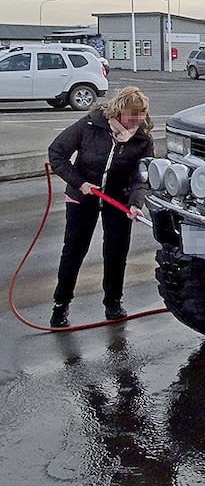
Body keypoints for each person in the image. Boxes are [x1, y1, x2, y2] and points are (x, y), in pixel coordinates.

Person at [48, 86, 154, 328]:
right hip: (83, 196)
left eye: (140, 116)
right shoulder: (89, 126)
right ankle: (60, 305)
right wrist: (80, 183)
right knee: (74, 250)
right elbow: (57, 154)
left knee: (116, 252)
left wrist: (136, 203)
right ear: (118, 111)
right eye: (132, 117)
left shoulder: (142, 138)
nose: (136, 122)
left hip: (118, 198)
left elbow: (142, 175)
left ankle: (113, 303)